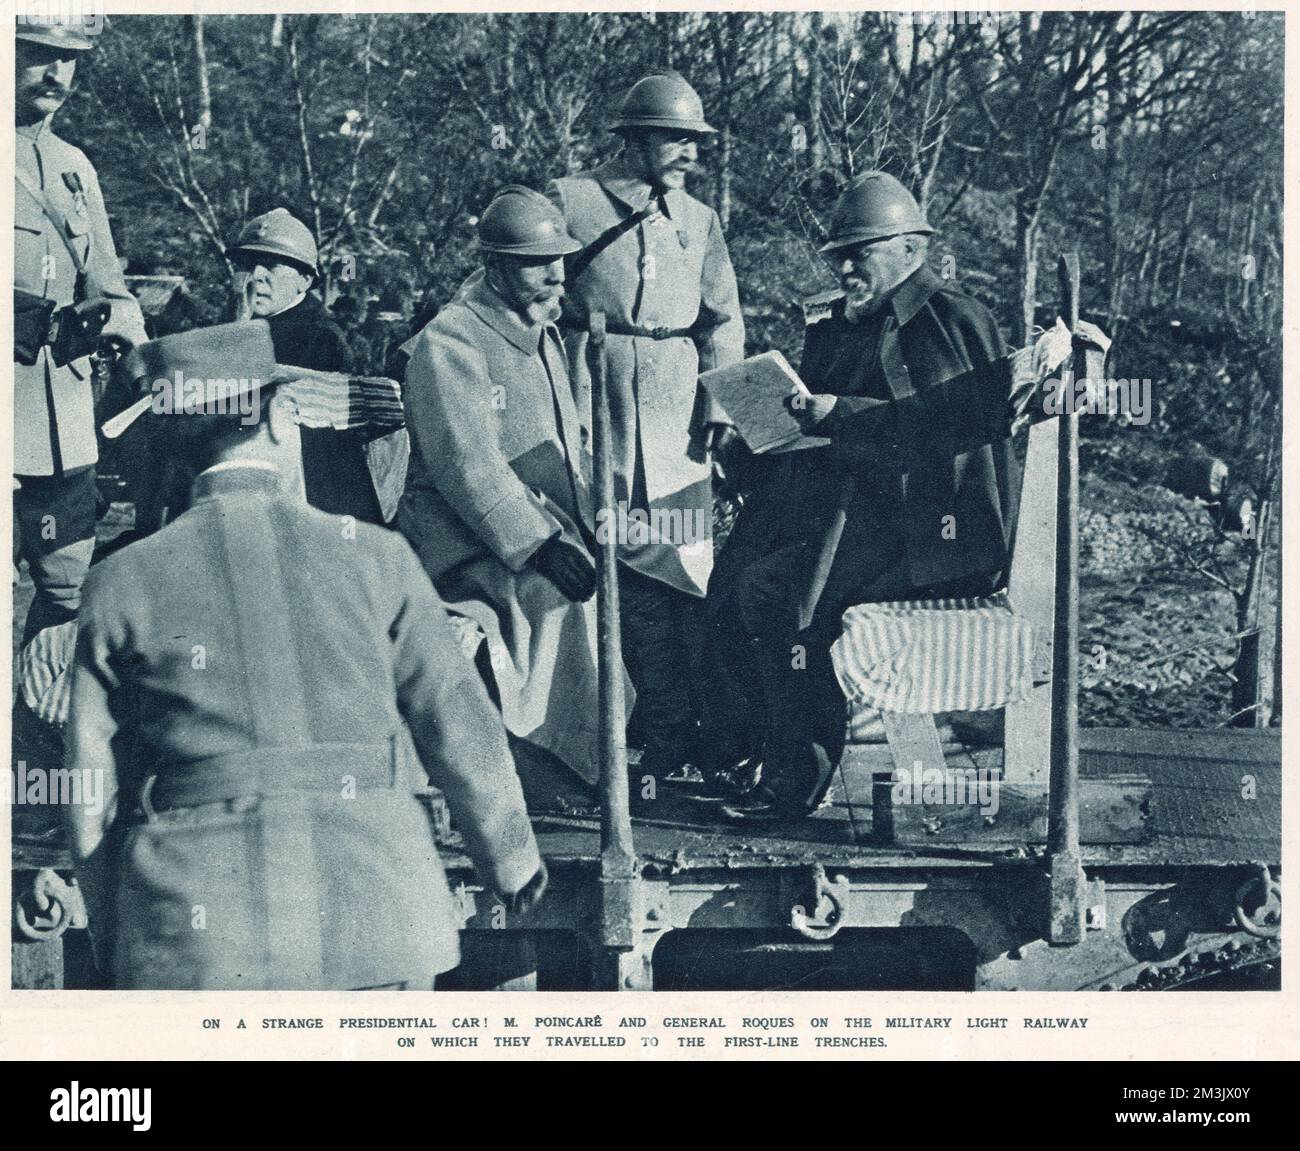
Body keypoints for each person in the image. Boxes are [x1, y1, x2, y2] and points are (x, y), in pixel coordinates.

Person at [63, 324, 546, 990]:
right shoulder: (376, 557)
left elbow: (89, 792)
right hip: (378, 910)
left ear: (176, 447)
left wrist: (118, 932)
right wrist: (511, 858)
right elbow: (459, 723)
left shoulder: (120, 583)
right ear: (281, 415)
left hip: (197, 933)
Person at [701, 171, 1019, 820]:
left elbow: (946, 433)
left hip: (932, 536)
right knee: (728, 586)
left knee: (782, 597)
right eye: (839, 254)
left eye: (861, 252)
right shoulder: (843, 323)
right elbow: (815, 425)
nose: (846, 267)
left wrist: (838, 414)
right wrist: (752, 443)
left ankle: (794, 781)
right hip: (848, 515)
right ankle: (747, 756)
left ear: (911, 248)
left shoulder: (949, 319)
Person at [548, 71, 744, 783]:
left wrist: (720, 410)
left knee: (684, 569)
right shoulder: (571, 200)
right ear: (634, 139)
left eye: (696, 141)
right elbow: (530, 288)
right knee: (603, 560)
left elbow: (725, 324)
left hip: (675, 407)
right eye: (676, 138)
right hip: (591, 387)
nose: (690, 153)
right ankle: (605, 730)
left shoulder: (700, 221)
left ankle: (680, 733)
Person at [397, 186, 617, 787]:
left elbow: (567, 445)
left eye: (560, 259)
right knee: (555, 598)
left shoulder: (539, 331)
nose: (556, 274)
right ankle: (541, 769)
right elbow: (467, 466)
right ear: (494, 267)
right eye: (535, 262)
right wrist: (539, 543)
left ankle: (589, 762)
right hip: (462, 545)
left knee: (626, 591)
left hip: (531, 530)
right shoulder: (453, 339)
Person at [13, 18, 148, 645]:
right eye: (39, 55)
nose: (56, 74)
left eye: (69, 61)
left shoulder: (73, 167)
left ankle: (38, 733)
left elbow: (110, 287)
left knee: (68, 588)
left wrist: (143, 357)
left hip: (63, 422)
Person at [225, 207, 386, 523]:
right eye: (246, 264)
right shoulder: (247, 326)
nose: (257, 275)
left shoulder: (318, 338)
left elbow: (245, 416)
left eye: (271, 265)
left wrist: (237, 330)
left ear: (305, 280)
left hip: (313, 500)